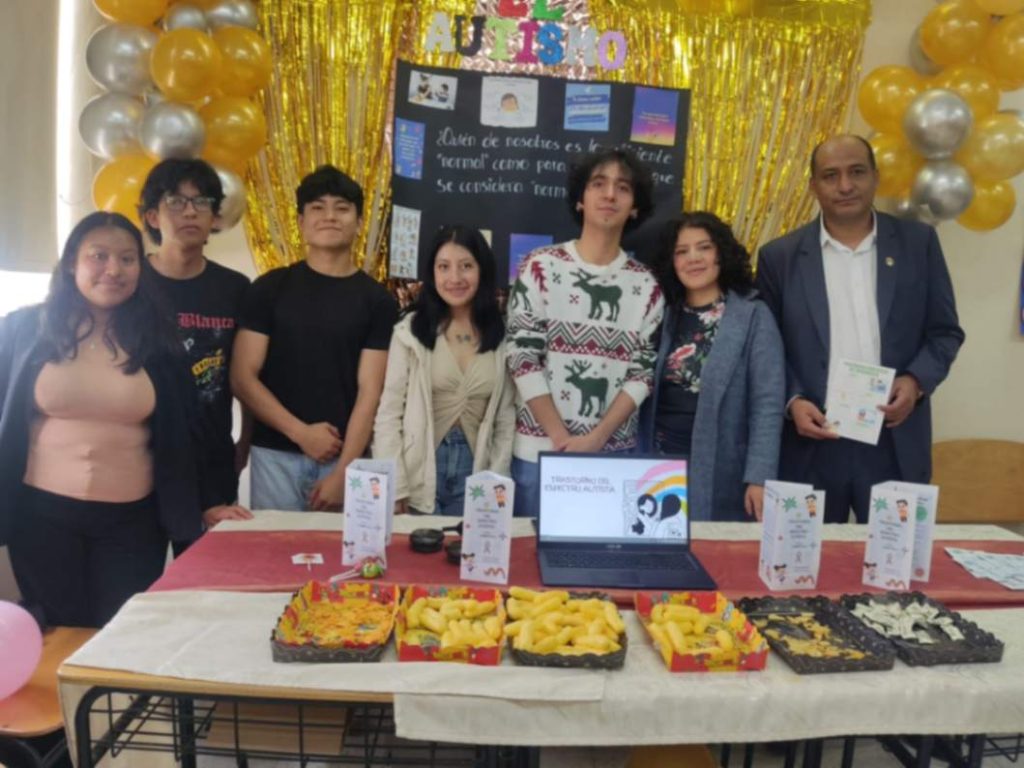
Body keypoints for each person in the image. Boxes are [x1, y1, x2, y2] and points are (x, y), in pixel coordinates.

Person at [0, 212, 234, 627]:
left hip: (132, 523)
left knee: (120, 632)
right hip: (41, 518)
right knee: (57, 633)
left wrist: (211, 499)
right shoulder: (23, 329)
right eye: (99, 256)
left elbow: (192, 430)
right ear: (72, 261)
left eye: (127, 259)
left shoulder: (162, 343)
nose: (113, 269)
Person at [756, 134, 964, 523]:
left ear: (876, 177)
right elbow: (767, 350)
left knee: (896, 577)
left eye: (856, 172)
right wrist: (793, 400)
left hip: (893, 439)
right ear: (813, 186)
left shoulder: (918, 244)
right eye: (830, 176)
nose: (845, 186)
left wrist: (916, 381)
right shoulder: (779, 257)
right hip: (810, 442)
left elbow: (945, 332)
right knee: (805, 576)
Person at [506, 147, 665, 517]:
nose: (610, 194)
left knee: (599, 570)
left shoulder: (647, 286)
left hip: (612, 457)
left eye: (623, 188)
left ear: (635, 206)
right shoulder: (539, 267)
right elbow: (522, 357)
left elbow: (642, 374)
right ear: (581, 199)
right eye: (598, 184)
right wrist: (562, 440)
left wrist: (596, 439)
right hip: (538, 454)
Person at [231, 165, 398, 511]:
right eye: (317, 208)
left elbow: (371, 390)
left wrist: (346, 471)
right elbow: (242, 377)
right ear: (302, 221)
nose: (330, 217)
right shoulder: (269, 288)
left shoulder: (378, 301)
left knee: (344, 562)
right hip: (275, 455)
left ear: (359, 221)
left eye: (342, 207)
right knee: (274, 561)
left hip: (344, 459)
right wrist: (300, 433)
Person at [640, 212, 784, 521]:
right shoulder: (663, 314)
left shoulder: (753, 315)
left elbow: (768, 404)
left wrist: (759, 477)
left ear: (721, 253)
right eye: (682, 251)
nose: (693, 258)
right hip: (658, 466)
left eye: (703, 247)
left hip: (723, 468)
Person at [139, 158, 252, 534]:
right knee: (139, 579)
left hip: (212, 454)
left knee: (207, 582)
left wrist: (245, 440)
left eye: (201, 202)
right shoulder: (132, 284)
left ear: (215, 218)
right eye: (175, 201)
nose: (190, 211)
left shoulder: (235, 289)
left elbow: (245, 373)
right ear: (153, 216)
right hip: (141, 453)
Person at [373, 225, 515, 515]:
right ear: (432, 273)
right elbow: (388, 414)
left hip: (476, 473)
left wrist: (496, 483)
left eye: (466, 266)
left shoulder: (503, 335)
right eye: (444, 267)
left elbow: (506, 419)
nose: (455, 278)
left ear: (482, 271)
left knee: (470, 558)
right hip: (419, 473)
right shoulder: (410, 332)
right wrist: (394, 484)